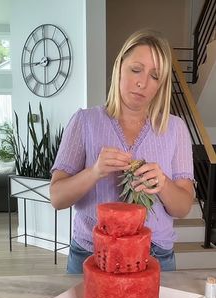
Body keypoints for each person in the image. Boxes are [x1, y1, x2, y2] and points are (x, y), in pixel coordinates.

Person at [50, 28, 194, 273]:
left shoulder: (175, 128)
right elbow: (57, 197)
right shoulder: (84, 122)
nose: (142, 82)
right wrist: (94, 171)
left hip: (155, 254)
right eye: (136, 69)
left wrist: (163, 183)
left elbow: (182, 207)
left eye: (155, 76)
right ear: (119, 67)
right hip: (92, 253)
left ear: (161, 84)